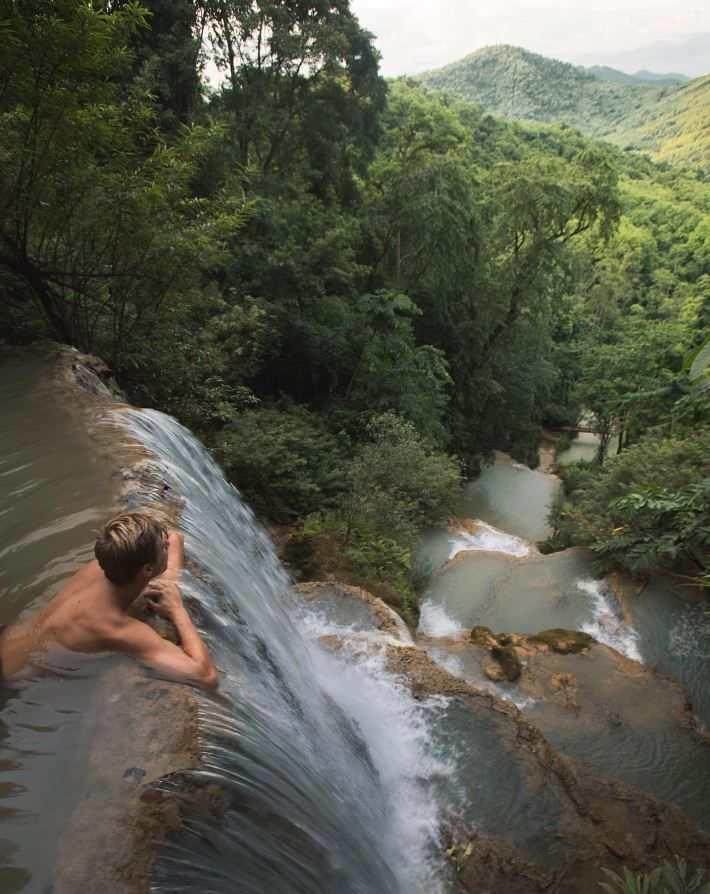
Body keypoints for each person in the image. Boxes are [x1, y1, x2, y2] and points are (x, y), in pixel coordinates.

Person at [0, 512, 218, 690]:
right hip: (8, 679)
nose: (167, 548)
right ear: (147, 570)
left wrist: (169, 582)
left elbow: (174, 537)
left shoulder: (104, 564)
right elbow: (206, 677)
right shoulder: (115, 629)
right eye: (163, 548)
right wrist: (178, 610)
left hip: (6, 638)